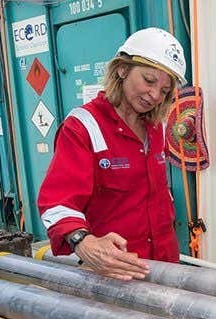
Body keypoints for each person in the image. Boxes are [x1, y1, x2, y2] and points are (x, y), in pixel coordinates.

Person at [38, 28, 187, 280]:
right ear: (122, 69)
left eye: (164, 90)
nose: (154, 95)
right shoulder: (84, 126)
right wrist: (82, 241)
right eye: (149, 80)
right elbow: (57, 202)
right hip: (115, 272)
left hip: (163, 266)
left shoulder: (157, 127)